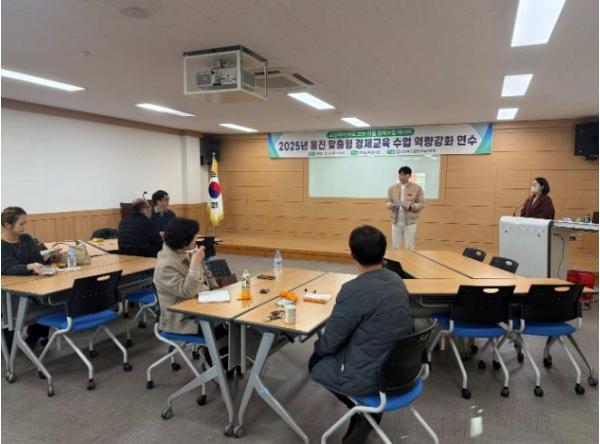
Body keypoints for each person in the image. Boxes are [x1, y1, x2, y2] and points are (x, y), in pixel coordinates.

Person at [309, 225, 413, 444]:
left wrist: (318, 347)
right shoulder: (397, 280)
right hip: (403, 367)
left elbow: (331, 342)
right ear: (383, 253)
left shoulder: (353, 290)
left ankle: (364, 410)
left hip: (372, 375)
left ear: (353, 255)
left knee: (316, 362)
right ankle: (365, 412)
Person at [1, 207, 60, 349]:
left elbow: (37, 259)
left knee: (51, 299)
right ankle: (11, 345)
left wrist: (49, 255)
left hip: (32, 285)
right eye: (21, 224)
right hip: (10, 291)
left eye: (25, 223)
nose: (24, 227)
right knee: (12, 316)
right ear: (7, 225)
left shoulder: (26, 239)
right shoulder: (2, 245)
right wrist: (29, 266)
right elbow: (8, 268)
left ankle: (34, 336)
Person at [153, 217, 218, 335]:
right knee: (232, 329)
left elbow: (206, 275)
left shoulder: (184, 253)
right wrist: (195, 264)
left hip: (202, 307)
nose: (196, 239)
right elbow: (187, 292)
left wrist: (216, 290)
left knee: (235, 322)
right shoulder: (164, 266)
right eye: (194, 237)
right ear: (183, 241)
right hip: (183, 320)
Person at [386, 166, 425, 250]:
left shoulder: (417, 188)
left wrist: (411, 207)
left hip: (410, 222)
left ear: (409, 175)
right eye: (400, 174)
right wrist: (389, 205)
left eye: (404, 175)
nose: (401, 177)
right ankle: (396, 259)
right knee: (395, 245)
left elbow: (421, 204)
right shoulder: (392, 188)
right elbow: (388, 201)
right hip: (396, 221)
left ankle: (409, 259)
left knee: (409, 246)